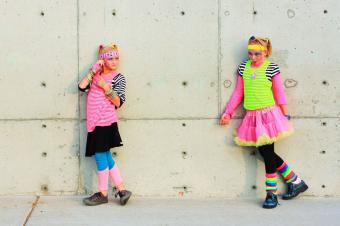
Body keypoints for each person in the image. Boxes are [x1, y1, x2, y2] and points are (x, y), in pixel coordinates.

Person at [220, 36, 308, 209]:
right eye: (250, 53)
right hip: (252, 117)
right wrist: (228, 112)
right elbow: (239, 93)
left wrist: (285, 114)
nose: (253, 57)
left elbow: (279, 93)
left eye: (257, 54)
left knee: (267, 154)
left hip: (269, 116)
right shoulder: (244, 68)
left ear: (266, 52)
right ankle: (295, 180)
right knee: (266, 153)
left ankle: (271, 194)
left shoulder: (271, 68)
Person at [78, 44, 131, 206]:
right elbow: (81, 87)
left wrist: (106, 87)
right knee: (106, 156)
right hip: (94, 123)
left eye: (116, 58)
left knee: (100, 156)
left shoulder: (118, 78)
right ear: (103, 60)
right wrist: (93, 71)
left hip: (105, 123)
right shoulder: (96, 75)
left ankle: (103, 193)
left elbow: (118, 102)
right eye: (110, 58)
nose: (114, 61)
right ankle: (122, 190)